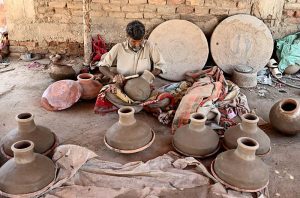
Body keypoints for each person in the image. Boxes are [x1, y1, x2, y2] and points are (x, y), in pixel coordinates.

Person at [98, 20, 166, 85]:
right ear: (127, 36)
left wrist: (150, 75)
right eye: (133, 41)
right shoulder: (118, 47)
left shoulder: (150, 46)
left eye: (140, 41)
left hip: (143, 84)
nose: (137, 45)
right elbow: (102, 66)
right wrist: (114, 76)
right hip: (122, 84)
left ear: (143, 37)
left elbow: (161, 65)